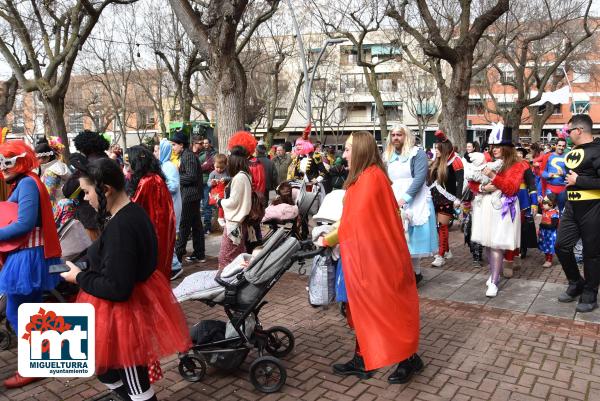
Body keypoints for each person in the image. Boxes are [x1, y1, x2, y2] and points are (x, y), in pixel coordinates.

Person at [60, 158, 191, 401]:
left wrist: (79, 277)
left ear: (106, 190)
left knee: (133, 379)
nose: (86, 198)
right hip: (122, 308)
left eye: (87, 191)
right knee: (108, 369)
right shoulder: (130, 212)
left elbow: (118, 288)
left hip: (123, 313)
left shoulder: (122, 225)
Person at [318, 131, 421, 384]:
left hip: (379, 259)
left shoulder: (370, 179)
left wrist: (328, 239)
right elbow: (353, 221)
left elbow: (356, 222)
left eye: (349, 149)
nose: (344, 154)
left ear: (361, 151)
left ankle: (407, 359)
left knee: (388, 309)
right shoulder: (366, 177)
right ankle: (363, 358)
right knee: (363, 309)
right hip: (368, 256)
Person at [0, 140, 62, 389]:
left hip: (27, 255)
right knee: (32, 310)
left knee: (19, 311)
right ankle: (42, 359)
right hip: (30, 254)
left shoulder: (26, 183)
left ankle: (33, 365)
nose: (3, 167)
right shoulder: (28, 181)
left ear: (22, 160)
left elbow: (24, 224)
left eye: (8, 161)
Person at [470, 124, 528, 297]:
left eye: (498, 146)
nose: (494, 149)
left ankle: (495, 281)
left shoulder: (518, 165)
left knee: (496, 245)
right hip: (486, 207)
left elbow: (511, 188)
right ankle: (493, 273)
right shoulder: (486, 162)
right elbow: (472, 183)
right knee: (488, 244)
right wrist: (482, 187)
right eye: (493, 146)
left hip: (504, 209)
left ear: (507, 148)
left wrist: (493, 176)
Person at [555, 114, 600, 313]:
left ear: (579, 131)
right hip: (572, 207)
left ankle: (590, 292)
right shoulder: (574, 150)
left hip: (593, 208)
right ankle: (576, 282)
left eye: (569, 130)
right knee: (561, 246)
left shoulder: (598, 151)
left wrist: (579, 181)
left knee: (592, 253)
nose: (567, 133)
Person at [384, 124, 438, 284]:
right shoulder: (388, 155)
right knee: (397, 237)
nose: (395, 138)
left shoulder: (417, 153)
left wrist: (404, 199)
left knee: (413, 238)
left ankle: (415, 273)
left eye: (399, 135)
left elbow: (420, 178)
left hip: (416, 198)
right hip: (395, 197)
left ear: (406, 136)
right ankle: (405, 272)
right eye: (393, 135)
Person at [427, 130, 464, 267]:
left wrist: (458, 199)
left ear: (444, 149)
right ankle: (447, 251)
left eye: (437, 149)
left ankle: (441, 255)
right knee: (439, 227)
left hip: (447, 198)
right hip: (434, 197)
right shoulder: (436, 162)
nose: (435, 151)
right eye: (435, 148)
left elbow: (460, 182)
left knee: (442, 226)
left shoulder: (456, 161)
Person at [172, 131, 206, 263]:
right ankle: (199, 254)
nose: (173, 147)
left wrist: (175, 177)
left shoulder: (188, 156)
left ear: (181, 144)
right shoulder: (186, 155)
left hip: (189, 196)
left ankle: (178, 258)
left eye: (174, 145)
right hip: (192, 196)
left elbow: (191, 176)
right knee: (196, 226)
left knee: (184, 226)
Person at [217, 146, 252, 268]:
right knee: (237, 255)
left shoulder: (239, 177)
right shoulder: (245, 175)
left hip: (234, 223)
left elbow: (233, 202)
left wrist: (220, 201)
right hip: (240, 222)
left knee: (226, 257)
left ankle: (226, 282)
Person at [158, 139, 184, 280]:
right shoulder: (163, 165)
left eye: (157, 150)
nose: (155, 153)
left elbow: (173, 186)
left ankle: (175, 266)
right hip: (167, 206)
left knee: (169, 235)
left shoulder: (168, 166)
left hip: (172, 207)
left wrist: (157, 184)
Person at [35, 136, 71, 209]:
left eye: (38, 158)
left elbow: (47, 196)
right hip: (65, 207)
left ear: (47, 157)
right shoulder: (59, 166)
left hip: (55, 210)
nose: (36, 161)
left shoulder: (51, 172)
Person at [540, 138, 568, 211]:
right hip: (550, 188)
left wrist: (563, 174)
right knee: (547, 210)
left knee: (562, 211)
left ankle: (560, 222)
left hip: (563, 188)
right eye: (559, 145)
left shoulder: (568, 157)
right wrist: (547, 175)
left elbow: (570, 173)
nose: (561, 147)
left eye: (563, 146)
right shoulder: (548, 156)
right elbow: (542, 171)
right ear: (555, 145)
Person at [208, 154, 230, 227]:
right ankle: (220, 218)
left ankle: (223, 218)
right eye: (217, 167)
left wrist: (226, 179)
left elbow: (233, 178)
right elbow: (208, 183)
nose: (219, 169)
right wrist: (212, 183)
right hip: (217, 193)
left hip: (226, 192)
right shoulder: (213, 173)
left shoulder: (227, 171)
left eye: (221, 168)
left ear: (225, 165)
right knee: (221, 204)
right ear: (214, 164)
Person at [199, 137, 216, 234]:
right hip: (200, 181)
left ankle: (207, 226)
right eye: (203, 143)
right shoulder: (201, 154)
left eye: (206, 143)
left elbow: (208, 166)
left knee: (207, 204)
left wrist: (204, 165)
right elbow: (199, 167)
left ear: (210, 143)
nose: (205, 144)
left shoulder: (213, 154)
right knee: (201, 205)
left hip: (208, 182)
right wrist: (204, 166)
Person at [539, 194, 559, 268]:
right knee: (545, 246)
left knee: (549, 247)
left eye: (545, 202)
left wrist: (542, 225)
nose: (543, 204)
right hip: (544, 233)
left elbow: (553, 226)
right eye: (543, 202)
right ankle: (546, 259)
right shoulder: (544, 210)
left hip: (550, 234)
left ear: (551, 203)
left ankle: (549, 260)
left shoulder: (554, 213)